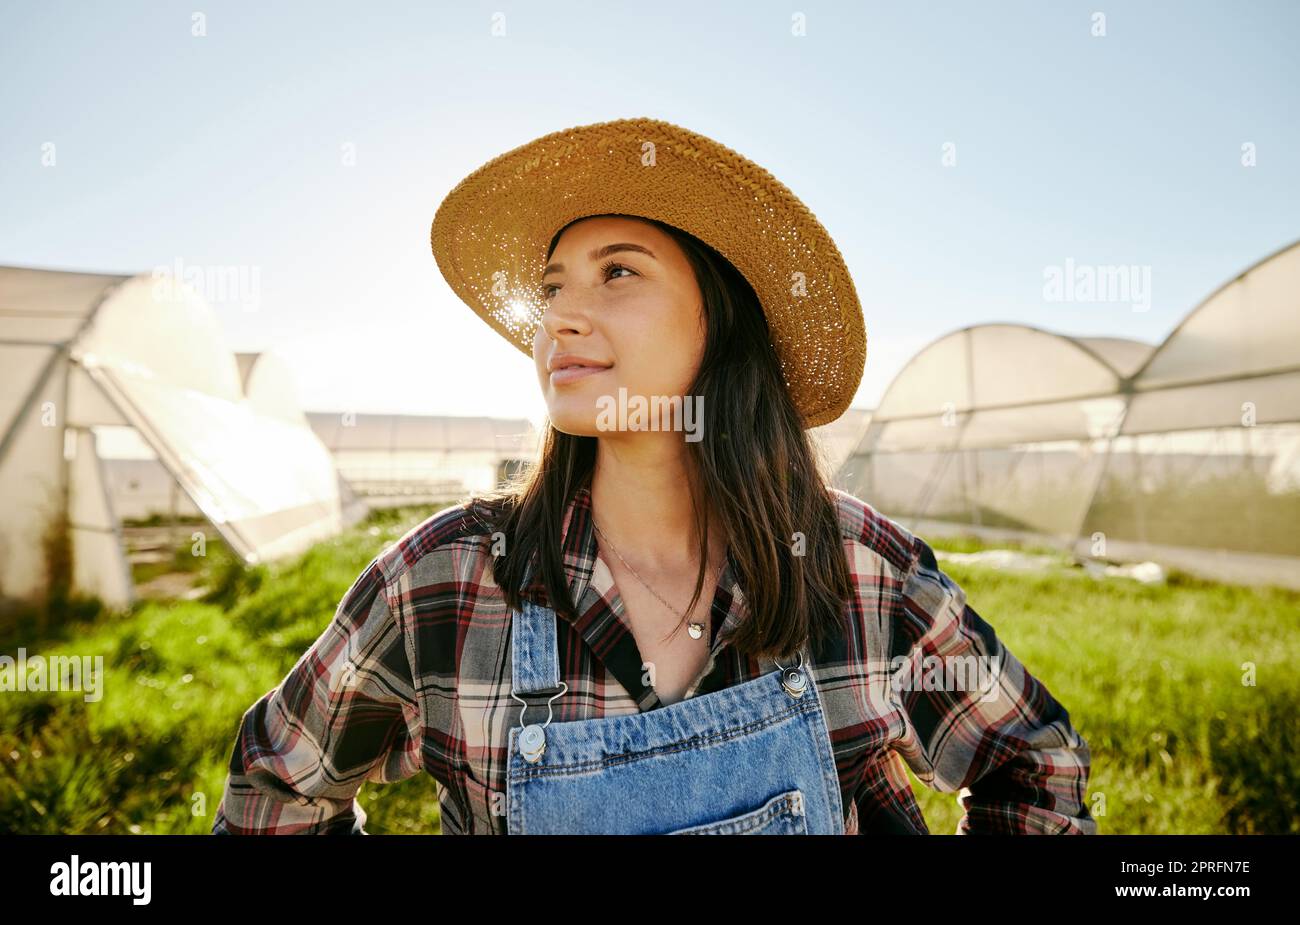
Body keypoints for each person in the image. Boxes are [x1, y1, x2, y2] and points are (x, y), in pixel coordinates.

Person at [212, 117, 1096, 835]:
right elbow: (273, 789)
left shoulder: (859, 569)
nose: (560, 317)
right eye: (552, 288)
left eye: (618, 273)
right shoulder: (443, 579)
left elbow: (1035, 767)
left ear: (722, 318)